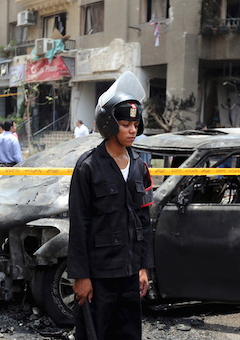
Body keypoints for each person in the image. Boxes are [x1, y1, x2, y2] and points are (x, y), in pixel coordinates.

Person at [68, 76, 153, 340]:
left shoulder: (140, 166)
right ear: (109, 124)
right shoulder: (88, 167)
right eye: (125, 124)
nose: (132, 130)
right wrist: (81, 276)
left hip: (129, 276)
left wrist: (142, 268)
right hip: (99, 277)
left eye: (135, 125)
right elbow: (79, 225)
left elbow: (144, 221)